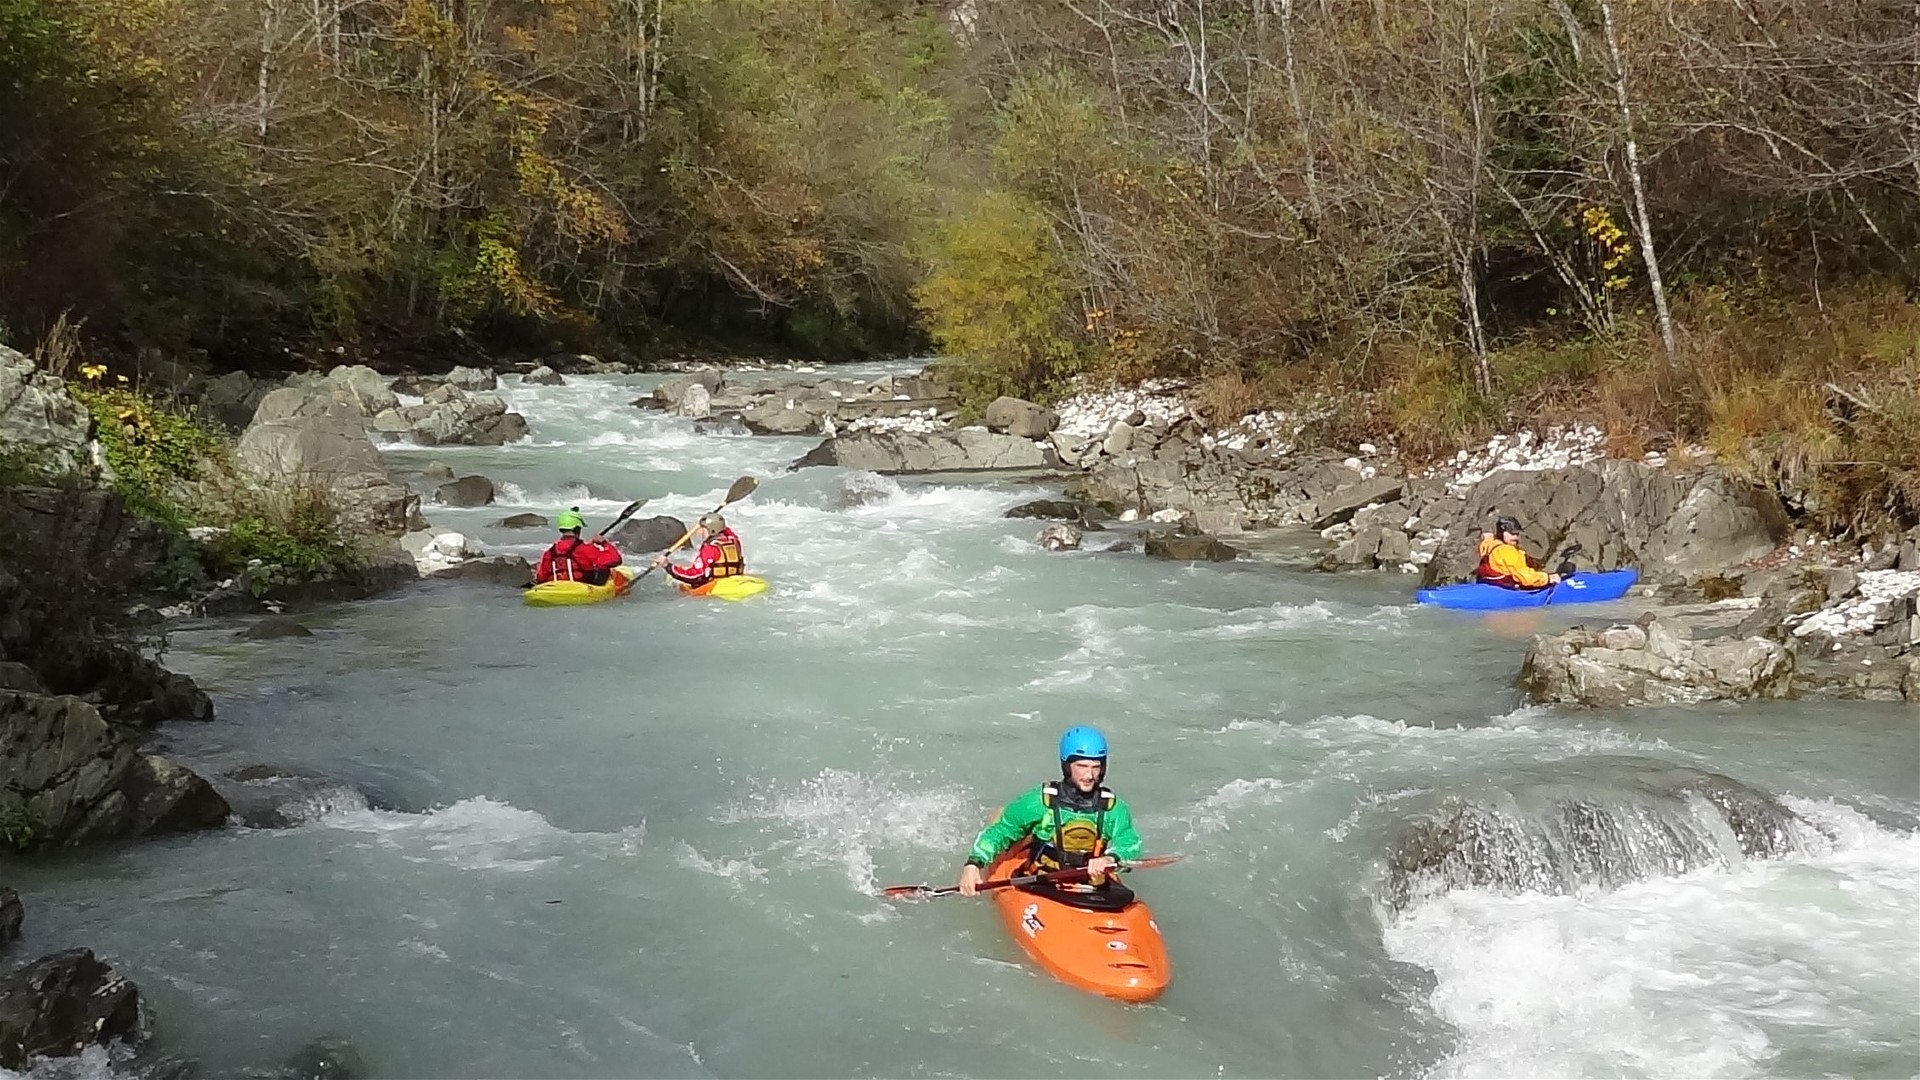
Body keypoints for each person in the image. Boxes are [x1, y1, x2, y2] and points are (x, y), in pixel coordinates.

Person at [956, 726, 1144, 910]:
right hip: (1042, 883)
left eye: (1096, 767)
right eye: (1082, 766)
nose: (1089, 775)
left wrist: (1111, 857)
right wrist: (974, 863)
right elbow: (1002, 830)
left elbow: (1129, 842)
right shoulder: (1041, 802)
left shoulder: (1112, 807)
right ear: (1067, 766)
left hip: (1092, 886)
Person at [1475, 515, 1572, 589]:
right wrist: (1548, 578)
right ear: (1502, 533)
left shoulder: (1490, 545)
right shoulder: (1507, 551)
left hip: (1489, 586)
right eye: (1512, 534)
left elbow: (1487, 539)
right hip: (1505, 590)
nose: (1516, 537)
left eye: (1517, 534)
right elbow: (1525, 577)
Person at [653, 513, 744, 589]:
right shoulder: (734, 540)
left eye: (702, 529)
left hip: (714, 586)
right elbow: (724, 529)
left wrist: (668, 566)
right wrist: (713, 519)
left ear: (711, 530)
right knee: (685, 568)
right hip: (734, 579)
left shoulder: (710, 549)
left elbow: (696, 576)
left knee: (674, 581)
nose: (699, 532)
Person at [534, 508, 623, 586]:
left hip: (556, 586)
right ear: (577, 529)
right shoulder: (586, 549)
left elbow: (541, 577)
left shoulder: (549, 552)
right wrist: (603, 543)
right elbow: (615, 560)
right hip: (581, 586)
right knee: (604, 570)